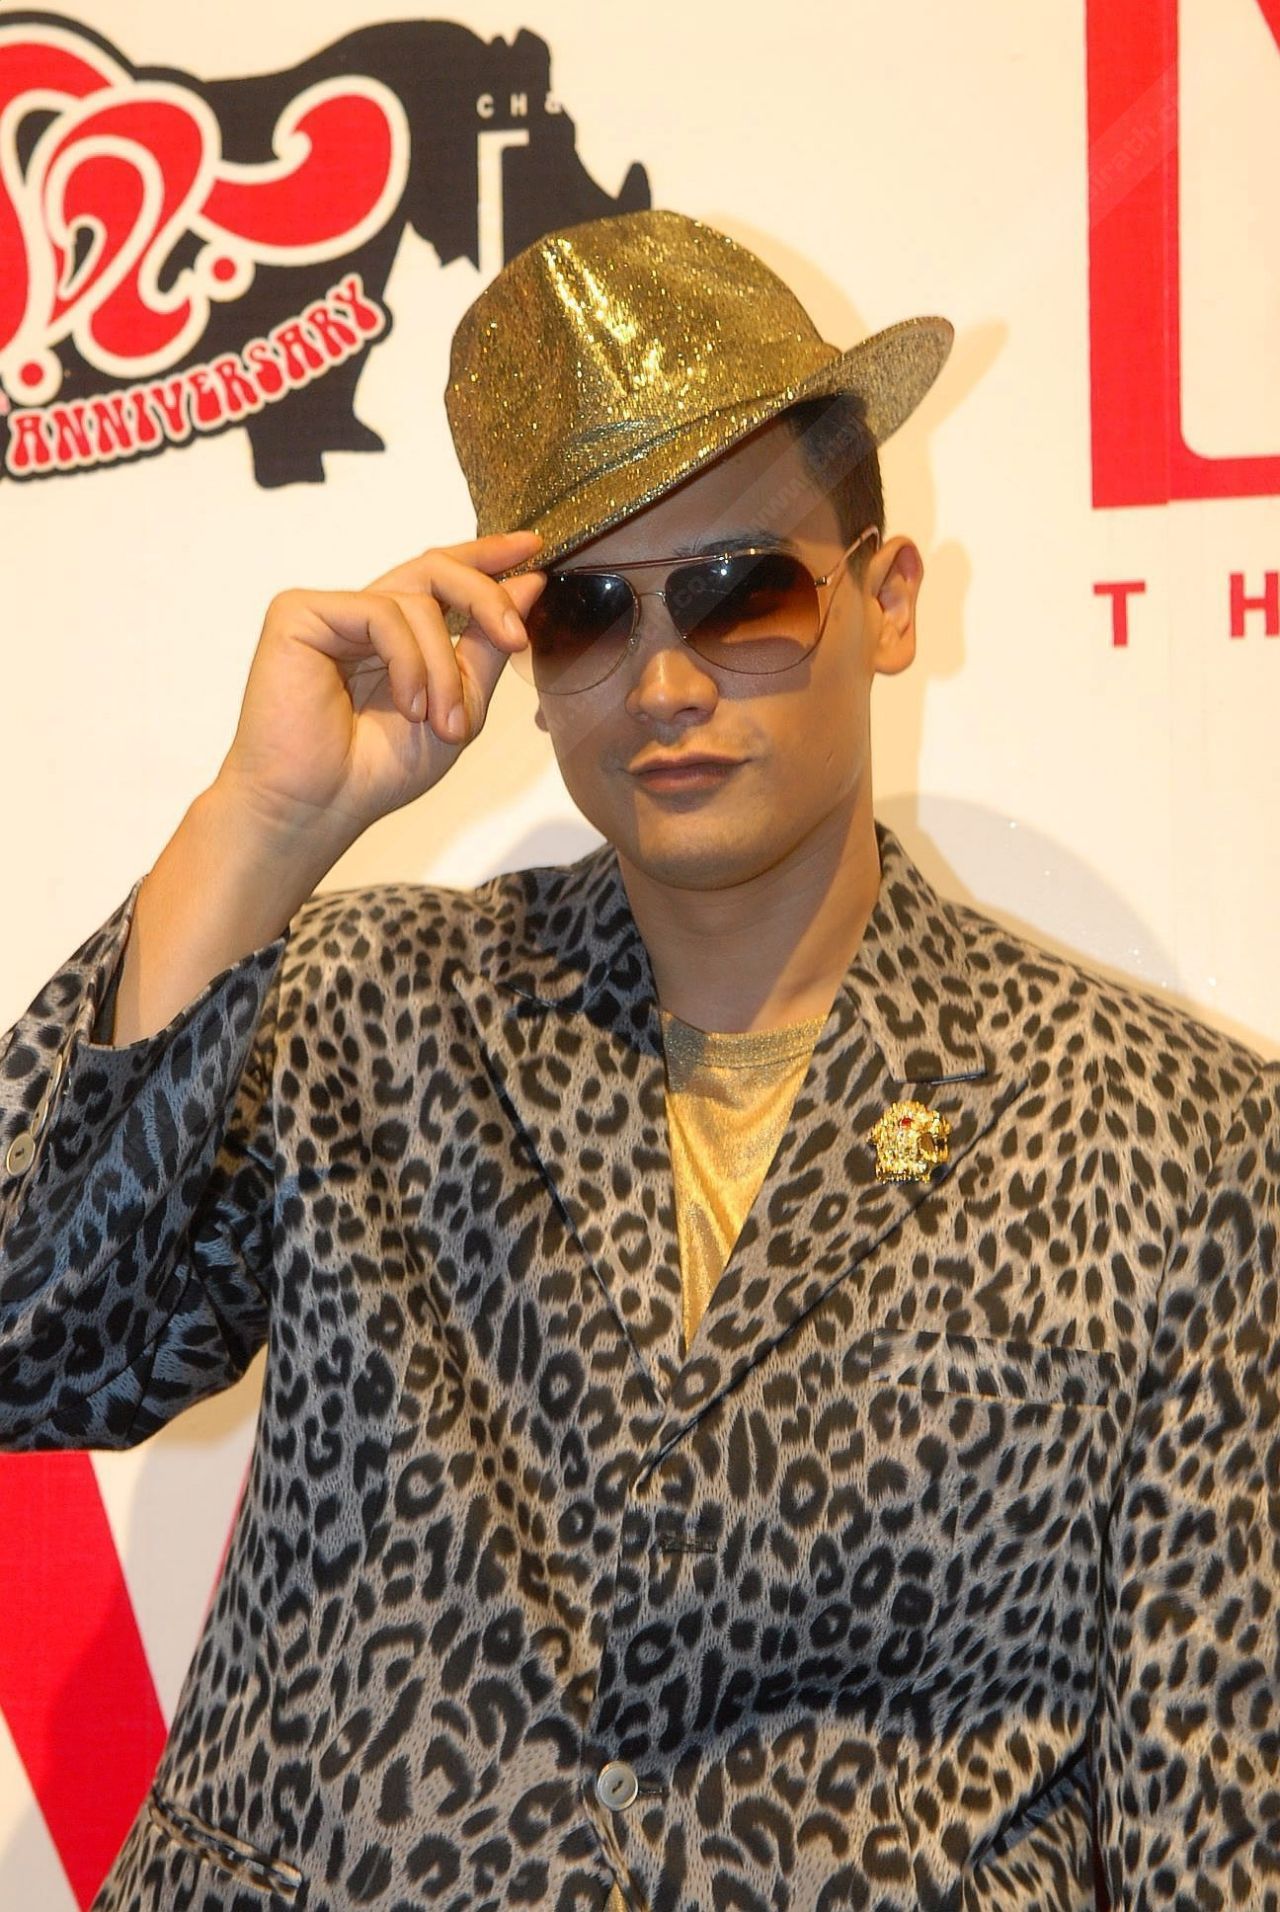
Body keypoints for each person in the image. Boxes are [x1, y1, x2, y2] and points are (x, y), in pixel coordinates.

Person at [0, 207, 1276, 1912]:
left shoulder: (1183, 1141)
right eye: (589, 614)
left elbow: (1214, 1808)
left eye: (745, 591)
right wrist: (263, 822)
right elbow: (35, 1348)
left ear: (888, 601)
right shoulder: (368, 1011)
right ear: (524, 661)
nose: (665, 680)